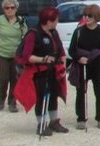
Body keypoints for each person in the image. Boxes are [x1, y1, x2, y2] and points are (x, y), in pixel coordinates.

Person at [15, 7, 69, 136]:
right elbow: (27, 56)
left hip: (53, 70)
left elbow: (61, 51)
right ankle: (41, 124)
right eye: (56, 20)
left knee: (54, 96)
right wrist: (43, 59)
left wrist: (63, 66)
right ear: (48, 21)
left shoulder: (53, 32)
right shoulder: (33, 34)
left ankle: (54, 121)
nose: (57, 22)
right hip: (39, 72)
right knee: (42, 98)